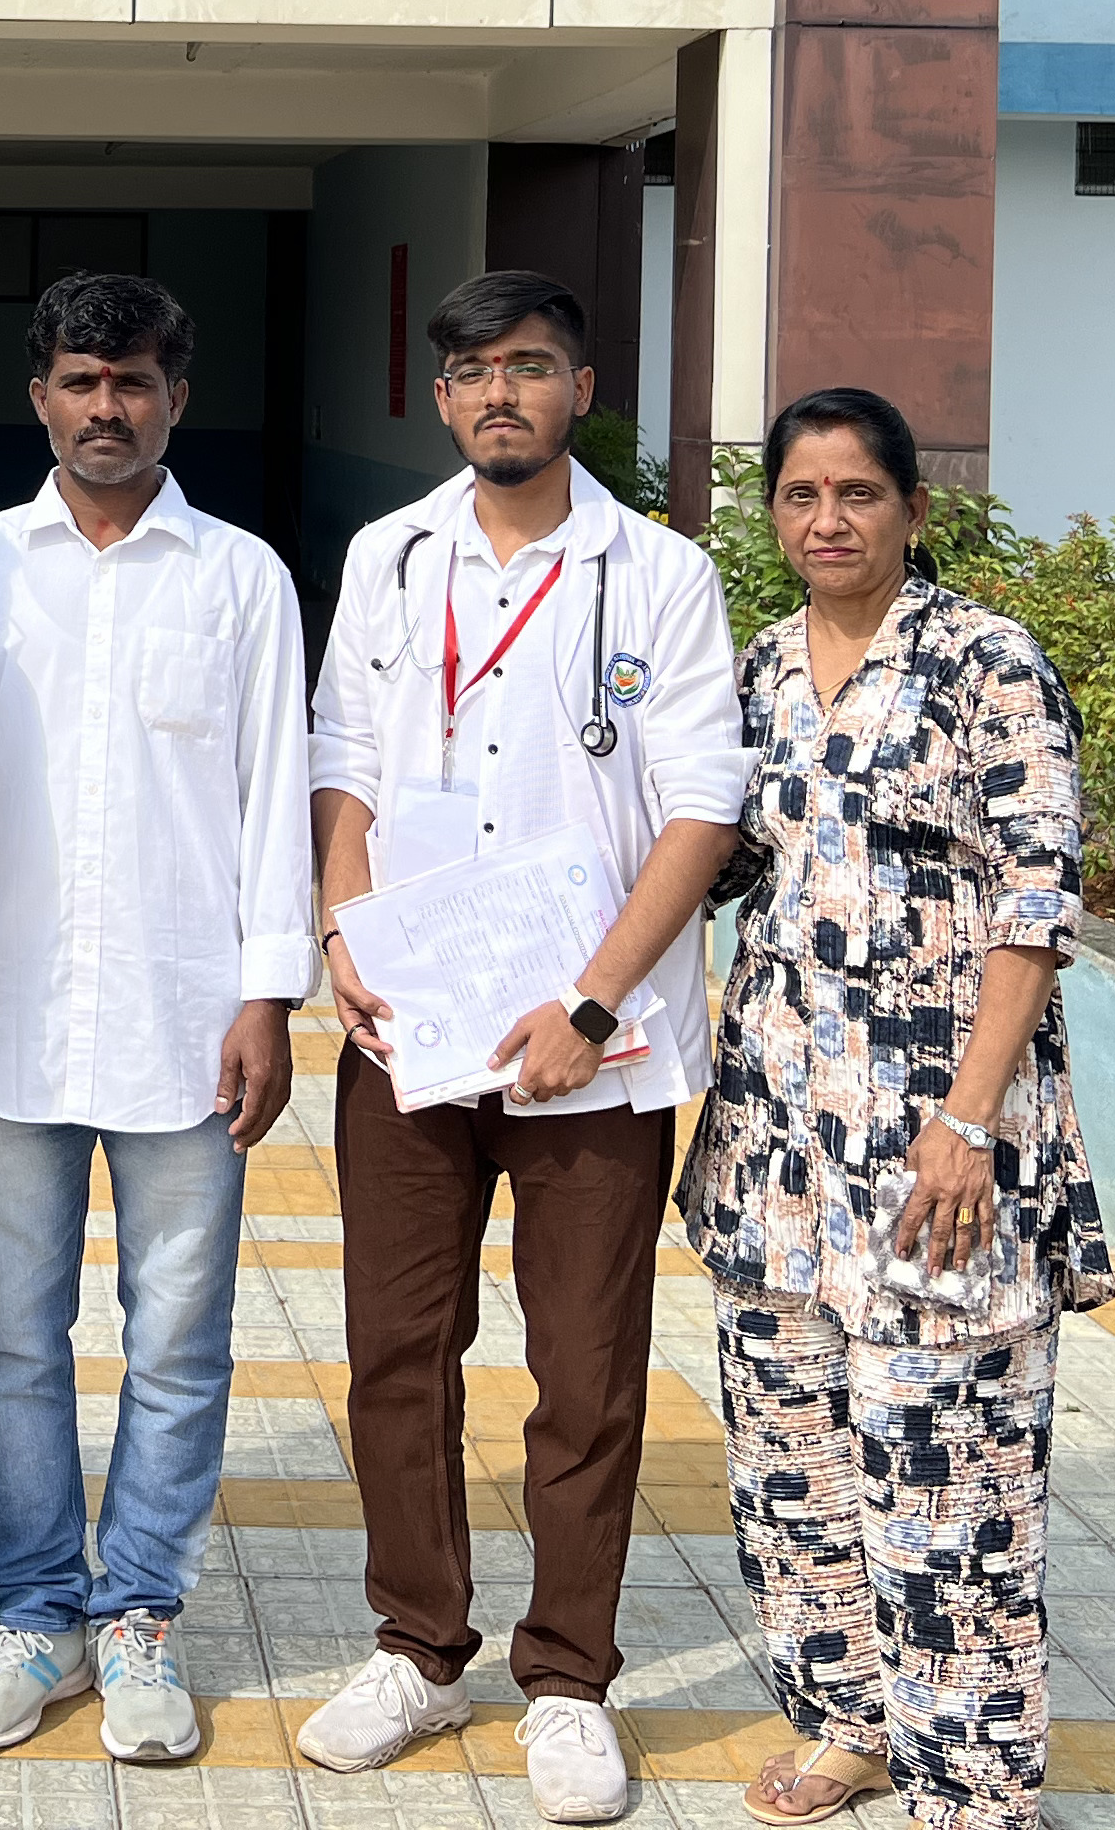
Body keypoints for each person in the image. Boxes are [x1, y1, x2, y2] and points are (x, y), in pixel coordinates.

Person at [299, 270, 753, 1825]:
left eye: (533, 368)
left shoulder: (663, 574)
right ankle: (420, 1649)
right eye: (476, 370)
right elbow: (343, 761)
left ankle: (568, 1678)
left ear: (579, 390)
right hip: (413, 1032)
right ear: (441, 396)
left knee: (585, 1369)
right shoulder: (389, 555)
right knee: (397, 1355)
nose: (502, 394)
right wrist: (343, 936)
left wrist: (597, 1008)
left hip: (593, 1052)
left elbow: (703, 806)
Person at [676, 388, 1114, 1830]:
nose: (828, 521)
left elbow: (1035, 900)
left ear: (914, 511)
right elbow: (707, 859)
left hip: (937, 1133)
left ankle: (975, 1785)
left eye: (859, 493)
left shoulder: (988, 662)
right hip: (776, 1139)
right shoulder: (755, 670)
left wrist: (970, 1115)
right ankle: (850, 1719)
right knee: (791, 1453)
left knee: (945, 1468)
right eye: (802, 496)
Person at [0, 273, 311, 1766]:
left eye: (132, 382)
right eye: (80, 382)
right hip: (4, 1006)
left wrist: (271, 992)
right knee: (9, 1335)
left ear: (174, 397)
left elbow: (278, 795)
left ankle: (139, 1613)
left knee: (181, 1337)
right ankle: (35, 1614)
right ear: (39, 397)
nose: (105, 409)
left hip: (186, 1017)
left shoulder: (241, 579)